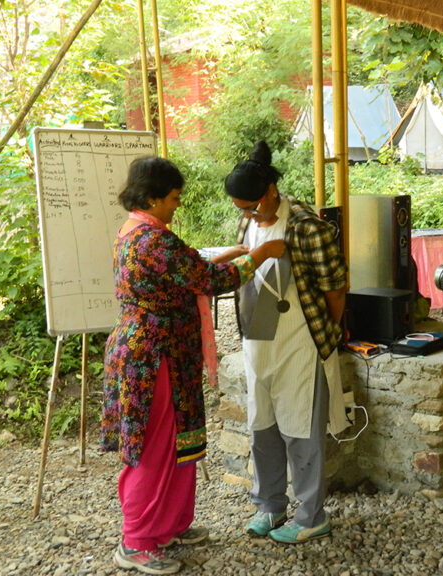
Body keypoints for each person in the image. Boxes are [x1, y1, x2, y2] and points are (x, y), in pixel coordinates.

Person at [101, 156, 284, 575]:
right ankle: (137, 541)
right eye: (173, 198)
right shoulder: (153, 240)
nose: (177, 204)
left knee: (180, 442)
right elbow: (208, 281)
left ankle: (168, 526)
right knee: (153, 450)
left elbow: (186, 271)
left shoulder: (137, 231)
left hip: (163, 354)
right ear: (152, 198)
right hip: (152, 358)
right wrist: (260, 254)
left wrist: (223, 257)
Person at [224, 141, 349, 544]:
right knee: (261, 425)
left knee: (301, 428)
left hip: (299, 338)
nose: (245, 214)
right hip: (259, 337)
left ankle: (312, 514)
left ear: (270, 192)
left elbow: (336, 288)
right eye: (240, 208)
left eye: (250, 206)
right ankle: (270, 504)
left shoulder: (306, 226)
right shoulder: (248, 222)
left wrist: (328, 333)